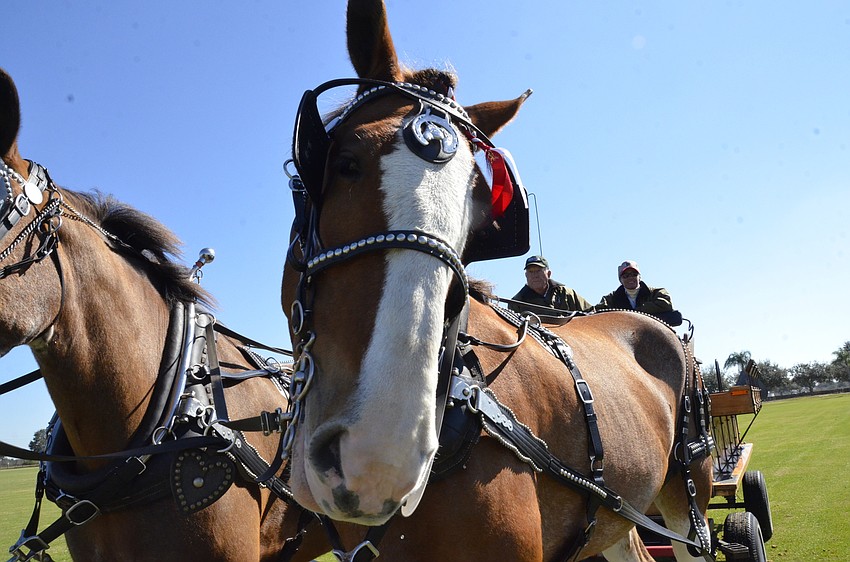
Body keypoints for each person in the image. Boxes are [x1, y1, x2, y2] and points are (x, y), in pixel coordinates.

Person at [597, 260, 681, 325]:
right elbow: (597, 312)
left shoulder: (657, 293)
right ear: (620, 280)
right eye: (626, 276)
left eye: (634, 274)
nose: (630, 278)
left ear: (639, 277)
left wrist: (636, 311)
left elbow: (665, 304)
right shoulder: (611, 298)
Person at [509, 255, 593, 315]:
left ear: (548, 274)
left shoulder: (565, 293)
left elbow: (590, 313)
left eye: (538, 271)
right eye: (531, 272)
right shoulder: (517, 302)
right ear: (526, 276)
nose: (534, 275)